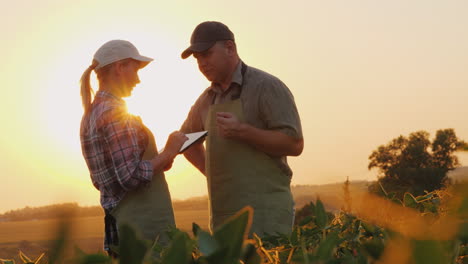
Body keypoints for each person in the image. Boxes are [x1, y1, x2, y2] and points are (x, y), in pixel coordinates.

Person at [180, 21, 304, 237]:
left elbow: (294, 144)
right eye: (197, 58)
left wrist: (243, 132)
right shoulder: (206, 101)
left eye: (206, 54)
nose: (201, 63)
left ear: (230, 48)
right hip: (224, 218)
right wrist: (213, 174)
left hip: (268, 214)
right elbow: (185, 143)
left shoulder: (267, 86)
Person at [79, 39, 187, 256]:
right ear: (119, 67)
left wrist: (160, 163)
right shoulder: (114, 113)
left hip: (119, 227)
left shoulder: (90, 115)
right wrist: (169, 152)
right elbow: (130, 176)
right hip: (144, 232)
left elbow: (104, 180)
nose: (138, 79)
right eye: (135, 69)